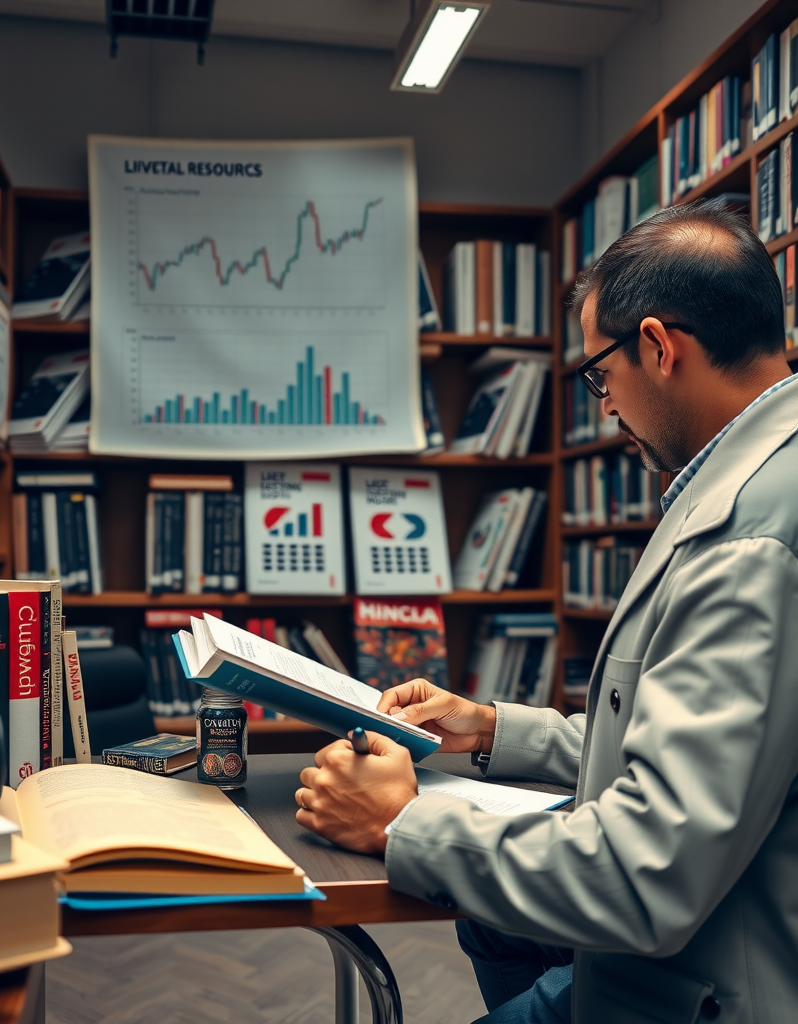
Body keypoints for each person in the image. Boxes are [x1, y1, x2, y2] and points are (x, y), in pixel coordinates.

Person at [294, 198, 798, 1023]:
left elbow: (651, 872)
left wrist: (404, 824)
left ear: (659, 347)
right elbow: (686, 737)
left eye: (601, 374)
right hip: (699, 941)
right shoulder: (751, 481)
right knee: (496, 932)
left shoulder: (750, 537)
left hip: (700, 984)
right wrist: (492, 727)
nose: (603, 405)